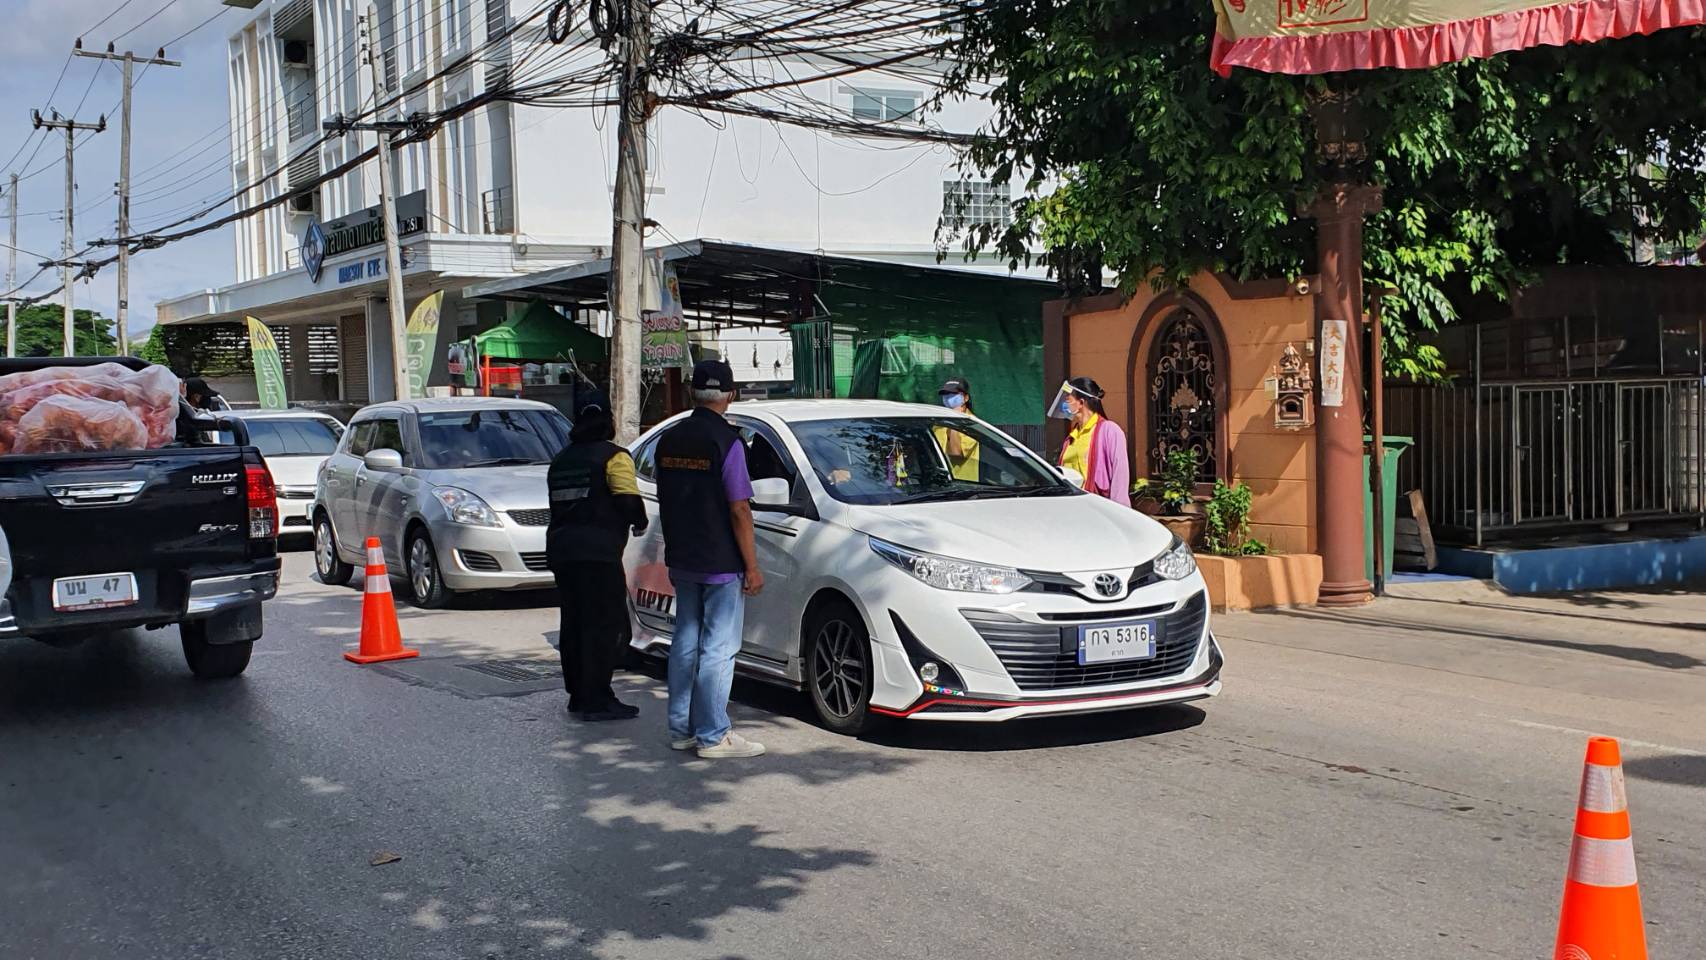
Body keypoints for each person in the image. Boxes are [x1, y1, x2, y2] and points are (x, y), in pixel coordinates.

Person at [655, 359, 766, 760]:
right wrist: (752, 566)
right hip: (720, 560)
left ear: (692, 393)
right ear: (730, 395)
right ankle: (713, 735)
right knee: (718, 647)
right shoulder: (728, 442)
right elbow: (740, 509)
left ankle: (682, 729)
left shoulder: (669, 439)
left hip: (683, 556)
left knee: (686, 641)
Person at [545, 392, 648, 722]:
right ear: (608, 420)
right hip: (599, 554)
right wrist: (641, 521)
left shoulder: (561, 460)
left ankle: (578, 696)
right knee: (604, 625)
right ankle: (598, 699)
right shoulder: (614, 457)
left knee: (574, 624)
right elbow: (628, 500)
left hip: (563, 552)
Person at [1052, 377, 1131, 505]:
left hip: (1097, 507)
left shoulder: (1110, 431)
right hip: (1071, 508)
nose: (1064, 404)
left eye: (1068, 400)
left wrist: (1120, 510)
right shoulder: (1072, 436)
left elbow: (1120, 476)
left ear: (1081, 403)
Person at [933, 376, 981, 482]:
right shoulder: (939, 422)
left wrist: (955, 423)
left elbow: (955, 453)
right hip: (939, 482)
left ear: (966, 398)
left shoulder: (971, 423)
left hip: (961, 484)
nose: (948, 398)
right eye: (946, 394)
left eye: (953, 394)